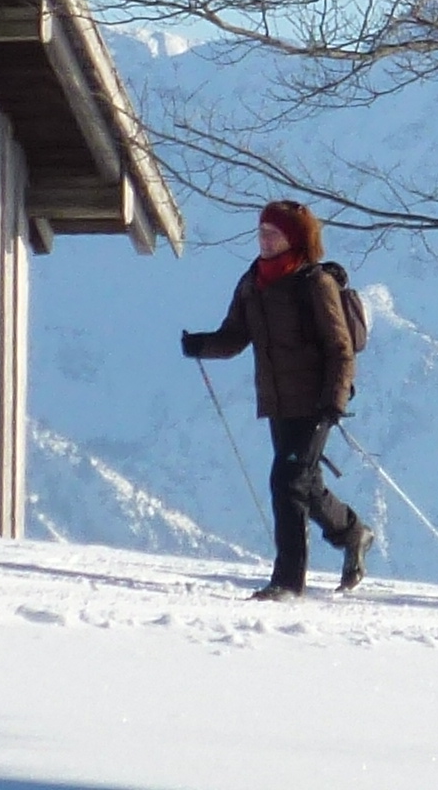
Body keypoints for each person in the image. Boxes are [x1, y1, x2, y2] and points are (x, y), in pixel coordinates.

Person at [179, 199, 375, 598]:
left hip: (316, 402)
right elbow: (235, 336)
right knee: (303, 482)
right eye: (262, 231)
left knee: (286, 481)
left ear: (296, 239)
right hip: (279, 402)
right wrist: (202, 345)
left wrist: (334, 400)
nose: (264, 239)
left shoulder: (314, 284)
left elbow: (340, 349)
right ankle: (354, 533)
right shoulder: (254, 281)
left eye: (274, 233)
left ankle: (287, 582)